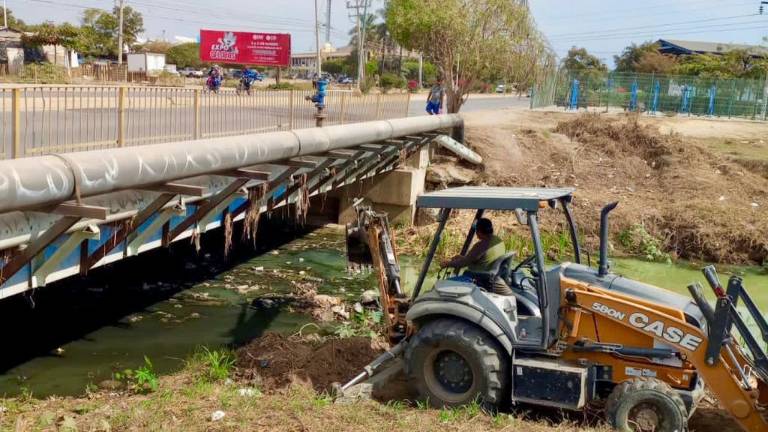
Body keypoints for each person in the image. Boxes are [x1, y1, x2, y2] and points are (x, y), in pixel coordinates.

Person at [441, 218, 513, 295]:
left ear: (479, 231)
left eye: (476, 230)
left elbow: (463, 263)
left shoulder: (481, 245)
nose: (476, 233)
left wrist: (447, 264)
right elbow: (479, 259)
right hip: (491, 275)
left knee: (443, 285)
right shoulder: (498, 241)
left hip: (477, 278)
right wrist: (462, 258)